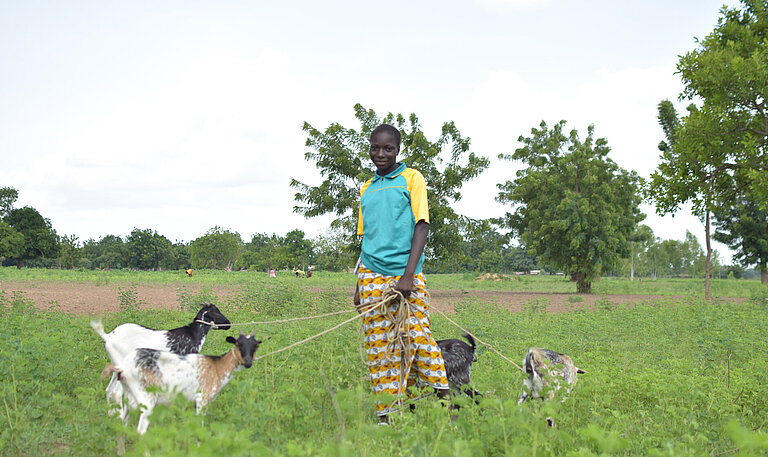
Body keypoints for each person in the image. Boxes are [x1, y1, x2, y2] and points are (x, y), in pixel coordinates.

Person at [353, 123, 450, 424]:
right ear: (369, 148)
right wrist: (359, 283)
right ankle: (387, 415)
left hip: (405, 274)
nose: (380, 154)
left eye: (388, 148)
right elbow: (366, 238)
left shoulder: (412, 178)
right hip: (371, 274)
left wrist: (408, 276)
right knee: (379, 346)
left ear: (398, 150)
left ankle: (449, 400)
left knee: (417, 337)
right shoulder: (366, 189)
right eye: (375, 148)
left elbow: (422, 225)